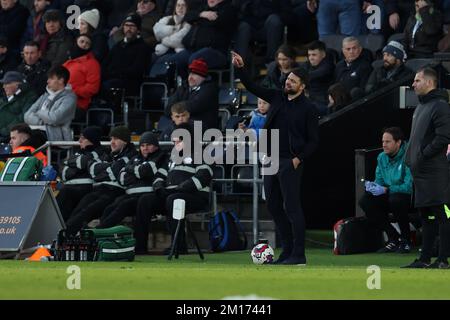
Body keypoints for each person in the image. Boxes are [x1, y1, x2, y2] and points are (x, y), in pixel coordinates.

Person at [231, 50, 319, 265]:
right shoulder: (277, 97)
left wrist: (297, 160)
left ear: (303, 86)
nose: (288, 83)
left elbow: (313, 141)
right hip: (269, 159)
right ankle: (287, 251)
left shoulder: (309, 109)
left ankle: (299, 254)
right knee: (273, 206)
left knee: (292, 207)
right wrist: (241, 68)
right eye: (288, 79)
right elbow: (252, 87)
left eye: (293, 81)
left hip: (290, 162)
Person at [135, 122, 212, 254]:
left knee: (173, 199)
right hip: (172, 194)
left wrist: (181, 188)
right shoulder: (172, 157)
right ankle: (140, 248)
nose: (175, 144)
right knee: (145, 200)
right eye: (174, 141)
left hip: (195, 196)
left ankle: (179, 246)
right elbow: (160, 175)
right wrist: (158, 186)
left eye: (178, 141)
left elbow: (204, 175)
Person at [403, 67, 450, 269]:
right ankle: (424, 259)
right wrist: (410, 159)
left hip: (434, 172)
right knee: (426, 216)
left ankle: (443, 259)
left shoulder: (440, 106)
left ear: (429, 83)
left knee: (443, 214)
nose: (413, 84)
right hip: (420, 172)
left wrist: (421, 156)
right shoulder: (421, 107)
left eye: (417, 80)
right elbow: (417, 139)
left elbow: (443, 138)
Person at [65, 125, 138, 235]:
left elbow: (113, 173)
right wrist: (108, 168)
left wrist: (104, 169)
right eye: (111, 139)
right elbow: (93, 171)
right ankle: (66, 236)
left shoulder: (131, 155)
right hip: (98, 189)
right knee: (78, 210)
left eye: (116, 139)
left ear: (125, 141)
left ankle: (68, 237)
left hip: (114, 192)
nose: (112, 142)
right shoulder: (108, 154)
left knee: (87, 211)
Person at [97, 132, 169, 228]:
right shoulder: (135, 158)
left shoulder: (160, 157)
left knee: (124, 206)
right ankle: (101, 234)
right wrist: (138, 173)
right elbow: (121, 178)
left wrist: (130, 169)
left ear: (156, 146)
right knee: (110, 208)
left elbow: (144, 171)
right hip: (130, 195)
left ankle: (100, 230)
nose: (145, 148)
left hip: (146, 197)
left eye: (149, 145)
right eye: (142, 146)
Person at [359, 127, 413, 253]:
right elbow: (380, 180)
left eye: (388, 142)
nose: (384, 145)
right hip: (389, 194)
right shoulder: (381, 157)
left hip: (407, 197)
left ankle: (406, 240)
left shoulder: (408, 155)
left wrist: (386, 190)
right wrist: (373, 187)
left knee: (396, 199)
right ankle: (393, 237)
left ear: (398, 142)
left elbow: (408, 187)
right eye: (383, 141)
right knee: (365, 201)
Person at [56, 126, 105, 221]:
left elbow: (81, 162)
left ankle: (61, 227)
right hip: (70, 187)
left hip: (87, 189)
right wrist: (76, 167)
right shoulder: (78, 153)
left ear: (91, 139)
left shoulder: (99, 152)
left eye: (83, 138)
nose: (79, 141)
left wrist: (71, 165)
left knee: (66, 192)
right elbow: (63, 171)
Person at [102, 13, 152, 96]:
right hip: (112, 79)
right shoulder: (118, 46)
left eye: (132, 26)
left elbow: (136, 71)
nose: (129, 28)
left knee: (106, 86)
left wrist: (114, 73)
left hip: (130, 84)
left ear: (138, 29)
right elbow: (105, 64)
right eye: (126, 25)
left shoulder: (143, 47)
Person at [24, 65, 77, 142]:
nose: (47, 81)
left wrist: (39, 112)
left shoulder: (69, 98)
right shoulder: (45, 95)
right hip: (35, 131)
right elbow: (27, 115)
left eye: (51, 78)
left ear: (61, 80)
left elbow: (54, 118)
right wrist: (42, 121)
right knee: (16, 135)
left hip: (54, 136)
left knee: (26, 141)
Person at [164, 58, 218, 131]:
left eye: (195, 74)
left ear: (203, 77)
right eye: (190, 73)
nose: (190, 77)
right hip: (181, 128)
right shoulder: (183, 87)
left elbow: (195, 105)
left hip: (203, 131)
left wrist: (176, 109)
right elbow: (168, 109)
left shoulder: (209, 89)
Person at [63, 34, 101, 122]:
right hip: (60, 100)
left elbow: (92, 88)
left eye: (87, 43)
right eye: (82, 42)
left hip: (78, 104)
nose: (84, 45)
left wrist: (72, 91)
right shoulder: (68, 62)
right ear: (76, 42)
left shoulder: (92, 64)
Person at [0, 71, 37, 139]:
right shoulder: (4, 98)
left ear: (17, 84)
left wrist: (3, 131)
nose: (3, 86)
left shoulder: (30, 97)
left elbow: (23, 118)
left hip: (12, 137)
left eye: (7, 83)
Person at [300, 40, 335, 113]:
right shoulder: (307, 64)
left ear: (323, 55)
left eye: (314, 55)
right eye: (309, 55)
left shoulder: (328, 66)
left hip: (322, 102)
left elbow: (315, 74)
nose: (311, 58)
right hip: (310, 100)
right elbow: (299, 73)